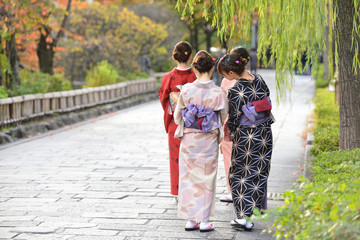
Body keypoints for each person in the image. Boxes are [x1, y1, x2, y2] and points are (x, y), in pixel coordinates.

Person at [217, 52, 275, 231]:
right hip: (265, 133)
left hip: (246, 136)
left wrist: (231, 134)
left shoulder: (234, 90)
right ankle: (249, 217)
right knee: (258, 173)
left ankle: (243, 217)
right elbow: (266, 98)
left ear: (231, 73)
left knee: (238, 175)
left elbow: (233, 118)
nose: (225, 78)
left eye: (225, 75)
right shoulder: (259, 79)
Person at [174, 50, 227, 232]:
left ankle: (190, 219)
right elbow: (223, 118)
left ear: (195, 69)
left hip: (189, 138)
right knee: (207, 177)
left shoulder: (187, 89)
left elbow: (177, 115)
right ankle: (204, 220)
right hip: (208, 139)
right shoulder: (218, 92)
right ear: (212, 68)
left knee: (188, 177)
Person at [158, 41, 196, 200]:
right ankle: (192, 189)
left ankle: (177, 191)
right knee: (193, 157)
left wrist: (175, 104)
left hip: (176, 121)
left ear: (175, 56)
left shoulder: (169, 77)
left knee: (176, 157)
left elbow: (163, 98)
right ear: (191, 56)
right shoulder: (195, 76)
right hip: (194, 123)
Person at [219, 46, 250, 203]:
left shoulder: (226, 80)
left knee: (230, 158)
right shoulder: (252, 79)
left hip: (232, 123)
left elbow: (223, 106)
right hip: (247, 124)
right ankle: (243, 191)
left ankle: (233, 191)